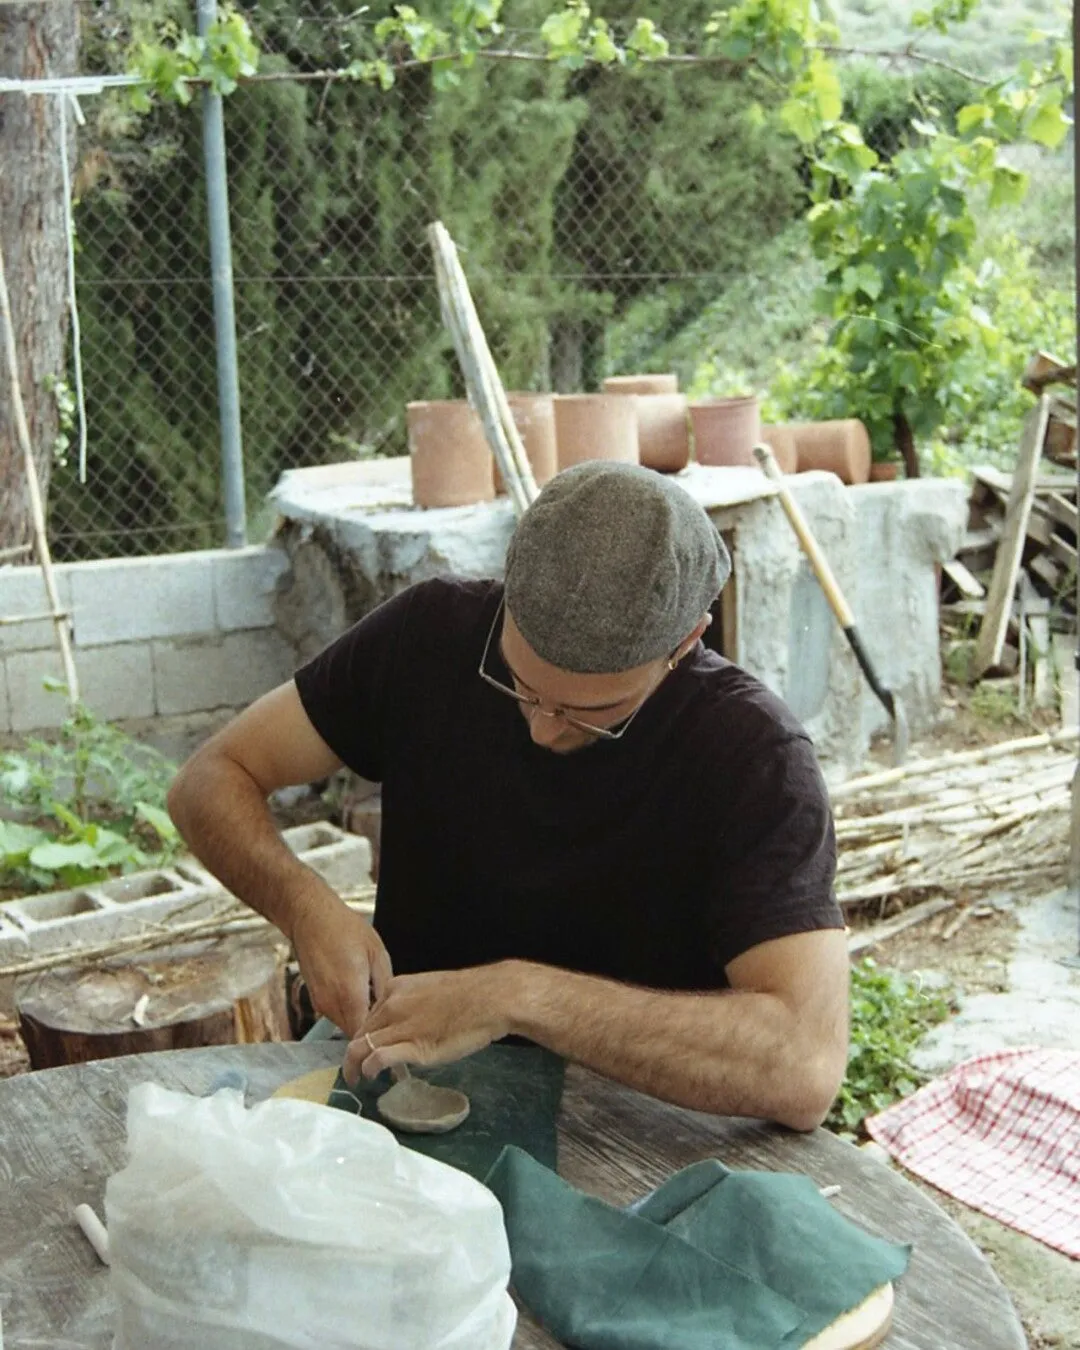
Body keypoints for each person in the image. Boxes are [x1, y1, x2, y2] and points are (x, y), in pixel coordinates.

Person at [168, 461, 848, 1130]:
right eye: (520, 685)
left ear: (687, 641)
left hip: (634, 1126)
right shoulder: (430, 636)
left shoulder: (754, 756)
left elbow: (806, 1066)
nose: (544, 728)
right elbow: (209, 779)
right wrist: (306, 907)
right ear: (506, 593)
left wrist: (519, 997)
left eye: (594, 712)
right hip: (401, 1081)